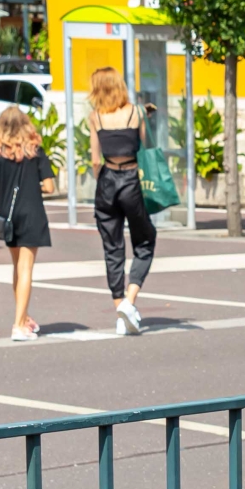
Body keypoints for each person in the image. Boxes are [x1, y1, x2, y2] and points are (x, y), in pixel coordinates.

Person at [0, 105, 57, 341]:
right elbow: (50, 186)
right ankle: (18, 324)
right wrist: (33, 185)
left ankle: (23, 318)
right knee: (26, 270)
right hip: (32, 212)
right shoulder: (35, 150)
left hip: (8, 216)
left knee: (17, 269)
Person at [86, 66, 153, 334]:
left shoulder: (95, 117)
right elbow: (145, 148)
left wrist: (100, 178)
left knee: (112, 247)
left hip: (107, 182)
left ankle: (120, 312)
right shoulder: (136, 112)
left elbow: (94, 159)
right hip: (131, 181)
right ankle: (130, 299)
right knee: (145, 240)